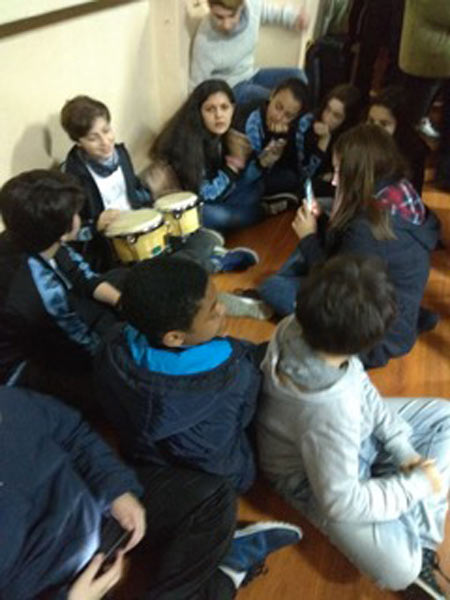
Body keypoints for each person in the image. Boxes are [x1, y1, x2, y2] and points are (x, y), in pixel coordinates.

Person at [257, 254, 450, 599]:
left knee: (444, 415)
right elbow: (340, 502)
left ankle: (410, 527)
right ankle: (417, 548)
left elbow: (360, 386)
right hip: (310, 476)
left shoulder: (296, 325)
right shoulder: (329, 411)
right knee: (400, 570)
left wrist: (400, 446)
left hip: (337, 436)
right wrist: (416, 486)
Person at [0, 385, 302, 599]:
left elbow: (72, 431)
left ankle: (219, 567)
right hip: (57, 585)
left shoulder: (8, 399)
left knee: (213, 496)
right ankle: (221, 573)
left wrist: (118, 490)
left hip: (99, 510)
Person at [258, 124, 440, 369]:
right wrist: (323, 224)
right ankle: (293, 279)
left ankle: (285, 286)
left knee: (273, 286)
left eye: (339, 171)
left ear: (359, 171)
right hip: (391, 303)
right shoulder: (398, 188)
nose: (334, 181)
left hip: (372, 335)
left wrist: (308, 237)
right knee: (317, 222)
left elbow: (337, 284)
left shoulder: (367, 228)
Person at [96, 256, 264, 493]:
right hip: (226, 475)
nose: (223, 309)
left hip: (148, 457)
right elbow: (246, 411)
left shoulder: (112, 344)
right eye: (213, 311)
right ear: (175, 337)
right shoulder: (231, 373)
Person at [61, 95, 257, 272]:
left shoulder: (120, 153)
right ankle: (210, 262)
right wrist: (96, 224)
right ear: (79, 142)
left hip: (141, 225)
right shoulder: (73, 175)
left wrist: (159, 204)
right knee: (156, 268)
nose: (105, 142)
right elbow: (70, 233)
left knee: (195, 233)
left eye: (106, 130)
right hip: (114, 246)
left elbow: (135, 191)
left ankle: (200, 259)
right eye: (93, 138)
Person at [0, 170, 123, 401]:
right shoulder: (31, 287)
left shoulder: (31, 234)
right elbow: (78, 340)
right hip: (23, 362)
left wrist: (121, 301)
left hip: (50, 325)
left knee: (123, 282)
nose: (78, 216)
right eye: (75, 213)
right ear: (61, 231)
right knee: (112, 385)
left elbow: (82, 276)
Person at [151, 79, 266, 232]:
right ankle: (257, 213)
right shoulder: (189, 142)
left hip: (217, 195)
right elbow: (204, 195)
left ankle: (244, 214)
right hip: (188, 208)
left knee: (256, 188)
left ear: (233, 108)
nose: (219, 115)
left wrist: (262, 162)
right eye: (210, 109)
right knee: (217, 216)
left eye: (224, 107)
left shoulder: (226, 133)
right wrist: (233, 165)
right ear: (199, 112)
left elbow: (239, 179)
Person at [190, 0, 308, 104]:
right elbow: (196, 87)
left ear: (242, 7)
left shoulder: (252, 6)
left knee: (299, 77)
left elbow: (269, 12)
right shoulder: (204, 41)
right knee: (275, 100)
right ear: (210, 9)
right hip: (231, 89)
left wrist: (294, 17)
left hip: (251, 73)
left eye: (232, 16)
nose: (226, 25)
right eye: (219, 17)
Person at [366, 86, 428, 195]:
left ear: (400, 125)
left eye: (383, 124)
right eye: (371, 121)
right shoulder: (359, 143)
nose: (375, 129)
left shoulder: (412, 152)